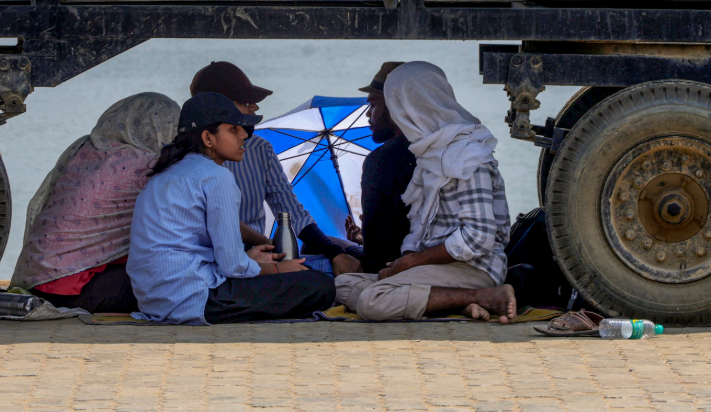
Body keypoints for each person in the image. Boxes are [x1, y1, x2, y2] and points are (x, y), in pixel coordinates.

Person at [127, 92, 336, 324]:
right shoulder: (216, 176)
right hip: (196, 299)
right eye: (233, 130)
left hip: (154, 300)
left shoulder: (166, 173)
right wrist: (277, 270)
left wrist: (252, 261)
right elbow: (232, 266)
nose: (244, 135)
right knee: (320, 285)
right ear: (208, 138)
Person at [334, 62, 517, 323]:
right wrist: (403, 263)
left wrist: (409, 264)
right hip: (437, 268)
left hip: (474, 267)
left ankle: (485, 295)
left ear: (409, 106)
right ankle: (459, 301)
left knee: (371, 301)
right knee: (343, 286)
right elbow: (423, 231)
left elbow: (479, 238)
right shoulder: (430, 153)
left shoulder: (466, 154)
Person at [10, 92, 180, 313]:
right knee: (173, 285)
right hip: (70, 290)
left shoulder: (85, 149)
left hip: (34, 281)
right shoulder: (145, 165)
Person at [190, 61, 363, 275]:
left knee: (347, 258)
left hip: (261, 255)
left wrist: (336, 253)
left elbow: (292, 212)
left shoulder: (259, 149)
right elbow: (219, 222)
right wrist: (265, 244)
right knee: (319, 282)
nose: (255, 107)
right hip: (222, 266)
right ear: (216, 106)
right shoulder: (186, 162)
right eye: (246, 101)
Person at [353, 61, 418, 274]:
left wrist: (364, 240)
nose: (367, 114)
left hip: (392, 271)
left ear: (393, 106)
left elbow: (378, 252)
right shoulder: (436, 147)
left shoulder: (382, 159)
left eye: (372, 105)